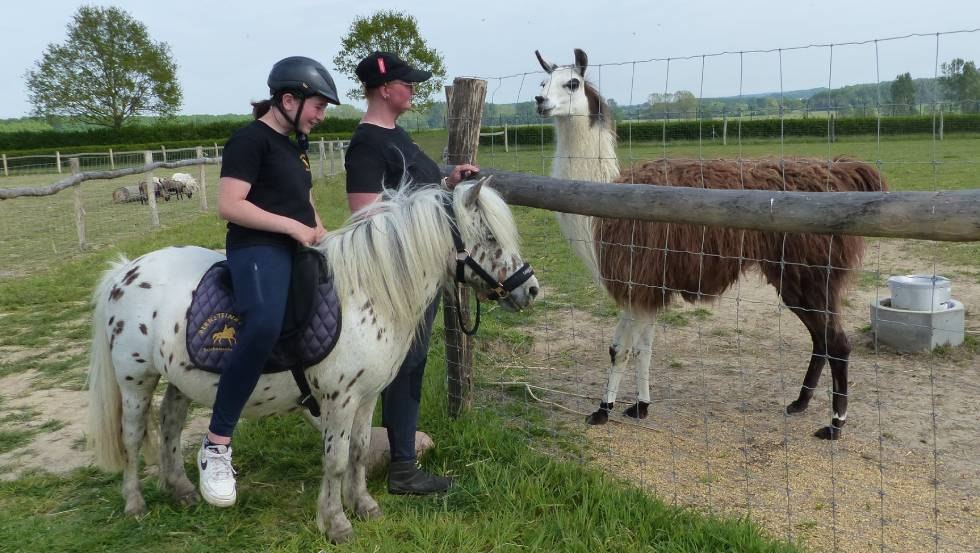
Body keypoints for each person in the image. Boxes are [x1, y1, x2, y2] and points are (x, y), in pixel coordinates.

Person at [198, 56, 340, 507]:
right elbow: (230, 204)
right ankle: (217, 442)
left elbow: (304, 198)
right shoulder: (248, 140)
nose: (321, 116)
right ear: (288, 99)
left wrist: (319, 229)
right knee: (261, 323)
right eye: (318, 106)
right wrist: (293, 228)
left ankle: (311, 394)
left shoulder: (297, 143)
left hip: (297, 244)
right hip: (257, 248)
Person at [345, 51, 478, 495]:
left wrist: (445, 185)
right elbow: (365, 217)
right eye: (408, 82)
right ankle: (401, 466)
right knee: (403, 362)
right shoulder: (367, 143)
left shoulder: (395, 135)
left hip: (416, 274)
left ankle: (395, 452)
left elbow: (412, 196)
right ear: (385, 88)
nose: (414, 88)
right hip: (395, 277)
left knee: (412, 360)